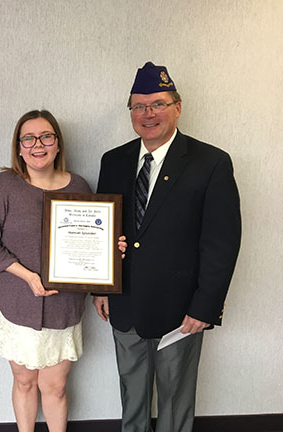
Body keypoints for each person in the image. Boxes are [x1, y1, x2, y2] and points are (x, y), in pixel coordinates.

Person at [93, 62, 241, 432]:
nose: (148, 114)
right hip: (125, 304)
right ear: (131, 112)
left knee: (175, 404)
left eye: (158, 104)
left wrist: (206, 306)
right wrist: (100, 287)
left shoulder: (211, 163)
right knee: (133, 398)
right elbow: (102, 230)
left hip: (181, 312)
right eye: (139, 106)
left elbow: (221, 243)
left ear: (177, 107)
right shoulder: (113, 161)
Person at [0, 110, 126, 432]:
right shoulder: (4, 185)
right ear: (18, 147)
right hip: (16, 303)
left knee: (55, 386)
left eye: (46, 137)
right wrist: (27, 276)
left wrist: (112, 251)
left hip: (64, 305)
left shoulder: (80, 186)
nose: (37, 145)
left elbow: (95, 244)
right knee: (25, 381)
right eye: (28, 138)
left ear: (58, 145)